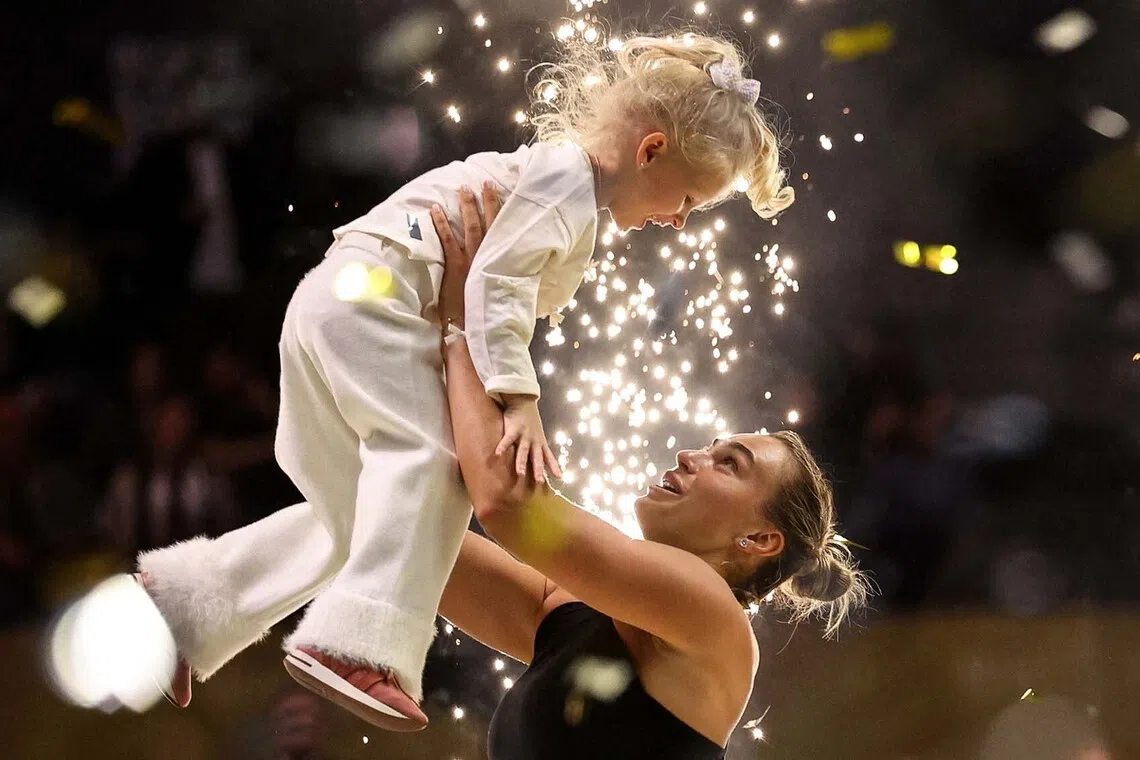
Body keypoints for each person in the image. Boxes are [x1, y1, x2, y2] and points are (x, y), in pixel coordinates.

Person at [130, 32, 794, 731]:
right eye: (688, 196)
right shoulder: (566, 186)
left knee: (367, 513)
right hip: (379, 306)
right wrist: (518, 400)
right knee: (428, 474)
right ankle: (356, 648)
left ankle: (185, 605)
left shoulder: (559, 185)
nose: (680, 218)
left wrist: (461, 326)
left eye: (728, 462)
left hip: (341, 302)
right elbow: (496, 297)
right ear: (650, 150)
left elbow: (486, 300)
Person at [433, 180, 865, 758]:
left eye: (728, 464)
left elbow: (505, 504)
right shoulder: (566, 611)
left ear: (759, 539)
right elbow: (424, 548)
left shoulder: (712, 616)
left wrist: (465, 322)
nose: (692, 455)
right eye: (711, 446)